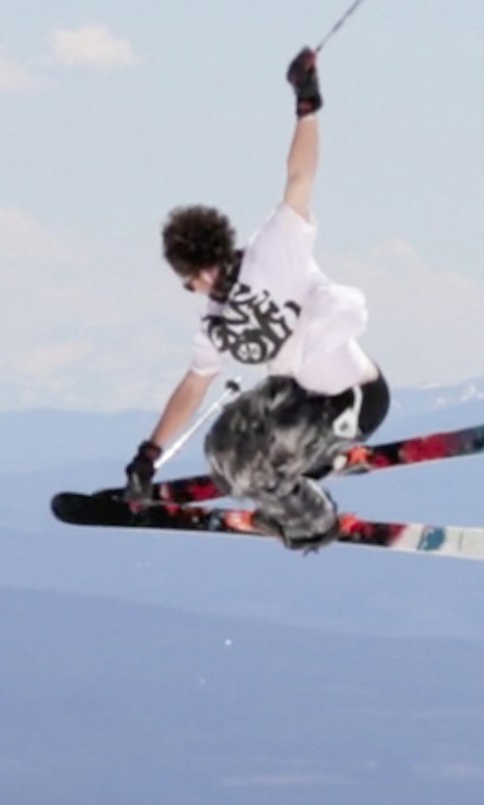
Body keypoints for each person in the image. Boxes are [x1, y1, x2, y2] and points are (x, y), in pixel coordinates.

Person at [124, 47, 390, 551]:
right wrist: (149, 453)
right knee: (221, 447)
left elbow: (300, 178)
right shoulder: (215, 322)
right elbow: (192, 388)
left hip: (351, 398)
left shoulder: (275, 250)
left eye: (190, 281)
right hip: (300, 397)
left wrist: (306, 104)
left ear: (199, 270)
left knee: (248, 470)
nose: (195, 290)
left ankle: (315, 520)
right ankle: (291, 472)